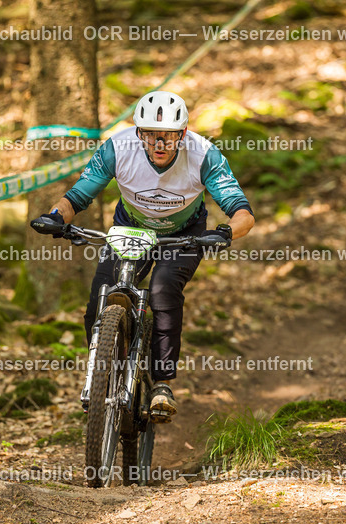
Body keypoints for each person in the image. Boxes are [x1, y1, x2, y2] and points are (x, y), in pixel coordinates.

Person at [35, 91, 254, 421]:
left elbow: (243, 213)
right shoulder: (117, 148)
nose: (160, 144)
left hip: (185, 234)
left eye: (168, 136)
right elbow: (77, 196)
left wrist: (225, 232)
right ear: (139, 133)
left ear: (182, 134)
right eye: (151, 135)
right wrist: (56, 217)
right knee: (99, 299)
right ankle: (103, 376)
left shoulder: (204, 154)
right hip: (131, 229)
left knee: (164, 289)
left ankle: (162, 384)